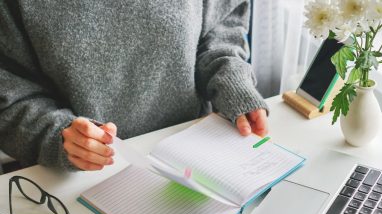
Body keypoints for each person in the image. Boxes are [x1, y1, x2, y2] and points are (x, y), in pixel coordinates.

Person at [0, 0, 268, 171]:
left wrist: (232, 79)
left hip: (194, 154)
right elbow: (8, 95)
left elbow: (221, 25)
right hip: (77, 184)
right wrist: (57, 134)